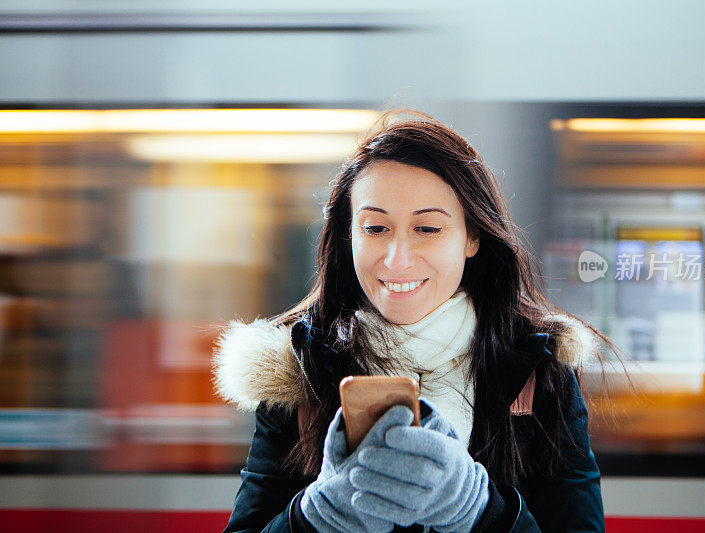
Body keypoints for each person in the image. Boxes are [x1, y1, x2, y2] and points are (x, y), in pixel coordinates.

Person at [213, 109, 608, 532]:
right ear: (349, 235)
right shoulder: (298, 371)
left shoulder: (539, 370)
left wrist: (477, 508)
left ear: (472, 237)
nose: (397, 259)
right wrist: (320, 516)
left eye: (428, 229)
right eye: (376, 228)